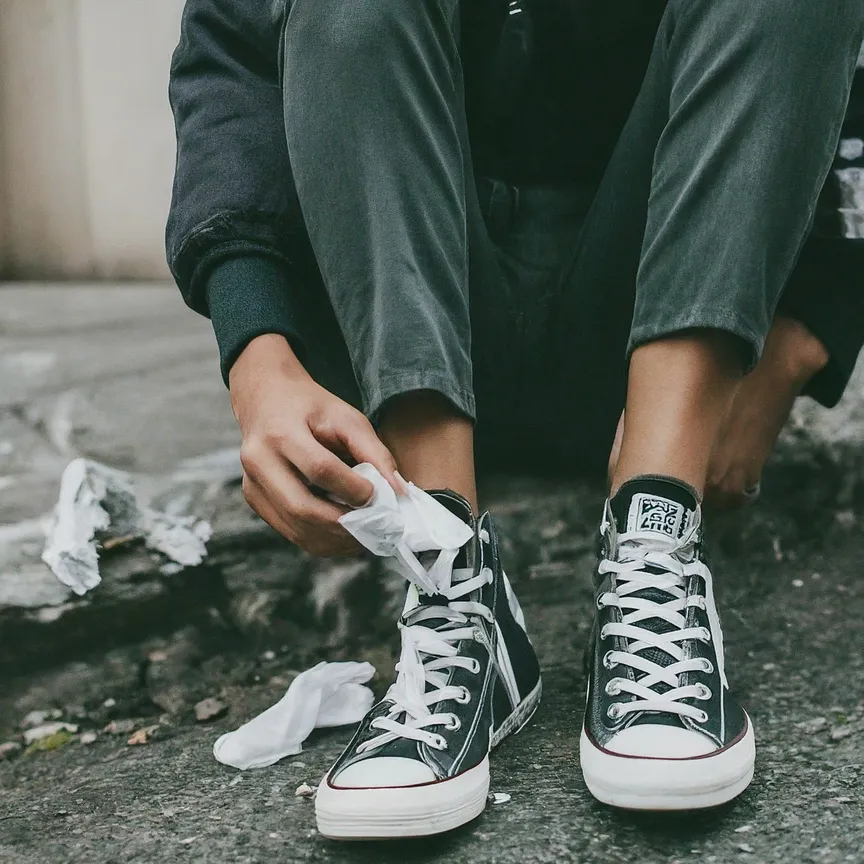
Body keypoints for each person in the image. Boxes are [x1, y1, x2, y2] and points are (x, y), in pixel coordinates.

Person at [167, 0, 864, 838]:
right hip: (404, 323)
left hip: (661, 306)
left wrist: (803, 334)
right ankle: (451, 581)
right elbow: (231, 54)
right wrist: (257, 354)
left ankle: (655, 532)